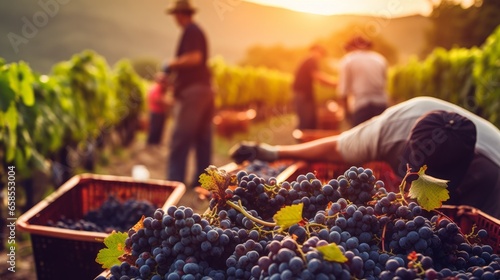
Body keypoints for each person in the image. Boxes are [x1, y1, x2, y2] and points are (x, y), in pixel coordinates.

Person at [229, 96, 500, 218]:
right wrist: (273, 151)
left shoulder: (493, 172)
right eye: (413, 172)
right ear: (406, 144)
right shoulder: (392, 128)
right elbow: (337, 147)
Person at [163, 0, 215, 188]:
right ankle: (203, 183)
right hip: (205, 90)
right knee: (203, 138)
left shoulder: (191, 31)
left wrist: (171, 64)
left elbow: (195, 58)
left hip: (194, 93)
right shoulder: (196, 30)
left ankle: (173, 184)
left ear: (180, 14)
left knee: (181, 138)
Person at [337, 35, 389, 126]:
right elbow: (385, 81)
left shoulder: (348, 60)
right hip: (381, 103)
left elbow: (343, 90)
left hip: (361, 105)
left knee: (359, 137)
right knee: (380, 136)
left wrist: (346, 112)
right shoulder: (380, 59)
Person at [292, 44, 337, 130]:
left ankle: (307, 139)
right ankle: (304, 141)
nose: (320, 56)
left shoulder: (309, 61)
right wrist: (335, 83)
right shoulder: (310, 61)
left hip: (305, 96)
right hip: (303, 96)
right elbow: (318, 77)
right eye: (320, 53)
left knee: (311, 121)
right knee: (306, 122)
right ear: (314, 51)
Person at [146, 72, 170, 146]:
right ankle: (151, 144)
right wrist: (167, 102)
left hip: (157, 111)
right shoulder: (157, 87)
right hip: (156, 111)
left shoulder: (155, 87)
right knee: (155, 128)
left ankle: (154, 143)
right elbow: (156, 99)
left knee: (157, 128)